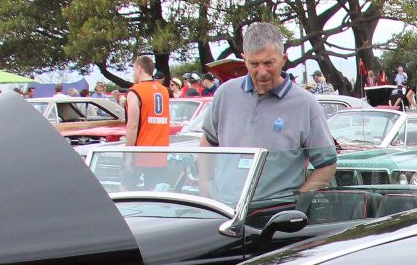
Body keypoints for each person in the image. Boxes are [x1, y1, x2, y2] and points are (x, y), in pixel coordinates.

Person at [200, 21, 337, 201]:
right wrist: (205, 183)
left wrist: (296, 202)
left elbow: (327, 165)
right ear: (244, 59)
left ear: (283, 58)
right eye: (254, 64)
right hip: (225, 210)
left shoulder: (305, 104)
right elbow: (208, 142)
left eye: (268, 63)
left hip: (276, 216)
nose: (262, 72)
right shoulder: (225, 94)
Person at [124, 54, 173, 148]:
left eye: (134, 70)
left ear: (139, 68)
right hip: (162, 150)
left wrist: (128, 153)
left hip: (142, 151)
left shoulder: (135, 91)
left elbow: (132, 125)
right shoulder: (164, 91)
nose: (133, 73)